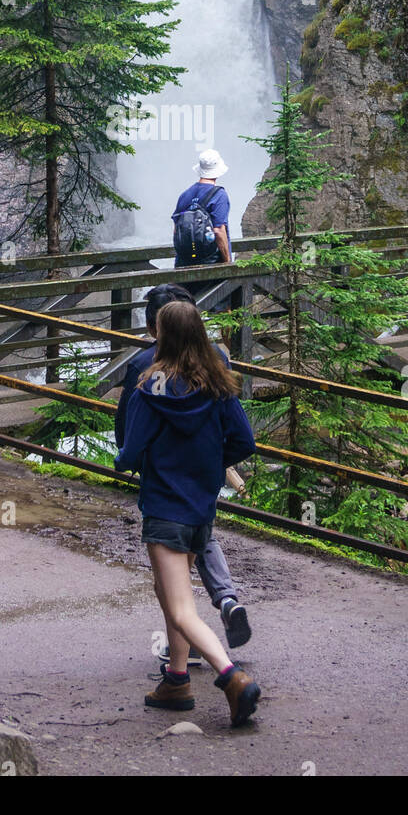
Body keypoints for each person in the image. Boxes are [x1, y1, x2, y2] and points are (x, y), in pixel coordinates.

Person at [115, 299, 261, 728]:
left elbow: (131, 451)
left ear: (161, 336)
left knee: (179, 608)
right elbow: (243, 442)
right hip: (201, 508)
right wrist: (210, 465)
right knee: (169, 591)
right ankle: (176, 681)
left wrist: (128, 461)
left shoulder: (149, 390)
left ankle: (232, 678)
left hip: (164, 509)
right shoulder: (218, 386)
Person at [171, 149, 232, 267]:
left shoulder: (185, 195)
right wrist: (227, 261)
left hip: (184, 264)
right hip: (211, 265)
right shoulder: (219, 195)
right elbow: (218, 231)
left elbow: (176, 230)